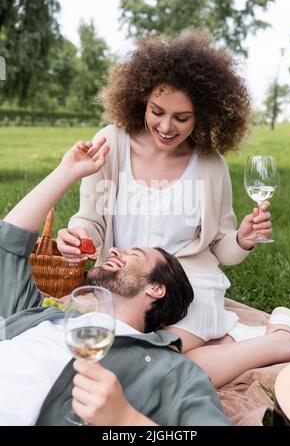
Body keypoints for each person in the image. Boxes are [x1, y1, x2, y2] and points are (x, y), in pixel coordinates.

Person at [56, 30, 272, 355]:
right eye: (157, 111)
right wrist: (76, 237)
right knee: (90, 334)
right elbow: (91, 221)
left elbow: (220, 248)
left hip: (188, 286)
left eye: (181, 118)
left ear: (202, 116)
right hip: (123, 282)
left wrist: (243, 239)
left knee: (156, 350)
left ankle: (255, 346)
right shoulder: (111, 143)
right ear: (142, 99)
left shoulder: (210, 166)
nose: (167, 126)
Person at [0, 139, 229, 426]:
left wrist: (125, 420)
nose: (114, 250)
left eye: (133, 253)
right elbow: (7, 244)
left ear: (156, 289)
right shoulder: (38, 315)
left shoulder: (169, 370)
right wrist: (66, 172)